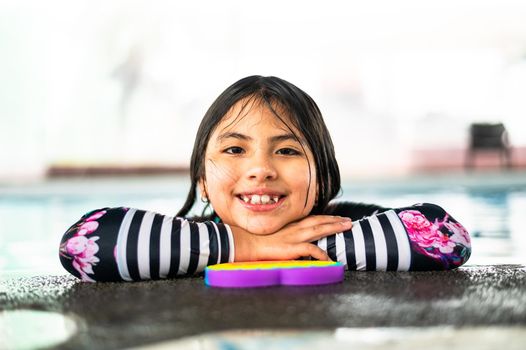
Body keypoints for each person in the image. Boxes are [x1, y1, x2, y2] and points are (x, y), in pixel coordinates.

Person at [59, 76, 471, 282]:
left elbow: (446, 238)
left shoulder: (345, 222)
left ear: (323, 178)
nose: (261, 169)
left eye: (287, 150)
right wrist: (251, 246)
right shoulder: (182, 236)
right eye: (235, 150)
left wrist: (311, 246)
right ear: (203, 181)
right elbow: (84, 244)